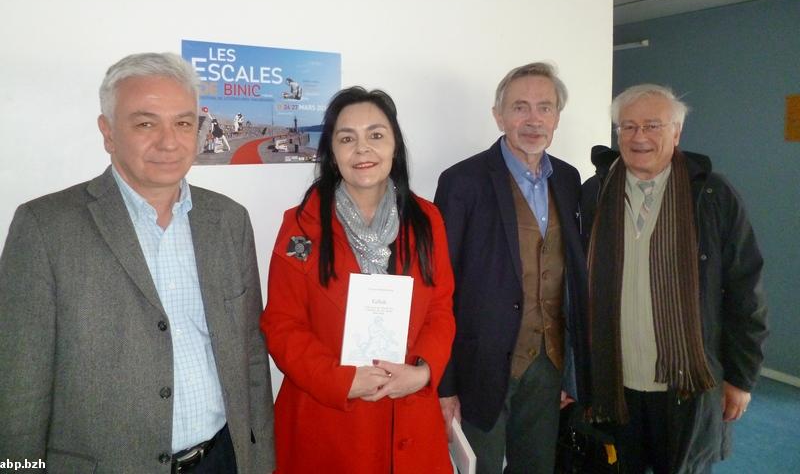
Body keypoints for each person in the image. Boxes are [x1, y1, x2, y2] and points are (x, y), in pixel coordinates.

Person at [0, 53, 275, 473]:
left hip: (222, 458)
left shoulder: (229, 220)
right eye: (146, 123)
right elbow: (18, 386)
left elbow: (251, 356)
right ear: (108, 132)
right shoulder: (44, 227)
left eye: (183, 123)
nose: (169, 141)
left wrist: (260, 462)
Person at [262, 87, 455, 473]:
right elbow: (282, 324)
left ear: (395, 146)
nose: (362, 149)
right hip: (328, 420)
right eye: (347, 138)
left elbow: (441, 308)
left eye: (376, 135)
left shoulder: (427, 220)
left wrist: (424, 371)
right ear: (332, 153)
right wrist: (341, 382)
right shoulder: (301, 226)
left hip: (409, 416)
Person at [581, 84, 768, 474]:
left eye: (652, 125)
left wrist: (741, 377)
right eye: (627, 127)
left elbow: (745, 293)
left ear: (677, 133)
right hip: (615, 380)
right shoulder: (595, 192)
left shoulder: (713, 196)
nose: (639, 137)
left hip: (687, 386)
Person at [435, 62, 590, 473]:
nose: (533, 119)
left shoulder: (571, 180)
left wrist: (571, 371)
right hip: (480, 366)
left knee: (537, 467)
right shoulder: (461, 182)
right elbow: (439, 287)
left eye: (545, 107)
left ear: (557, 116)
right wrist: (444, 383)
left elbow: (574, 278)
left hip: (548, 364)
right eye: (520, 107)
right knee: (480, 468)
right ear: (499, 115)